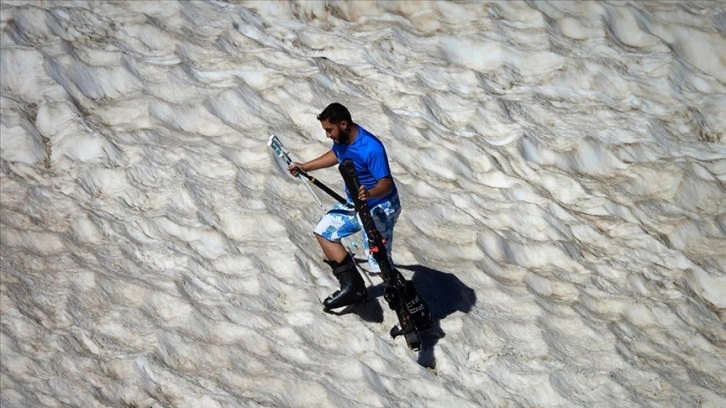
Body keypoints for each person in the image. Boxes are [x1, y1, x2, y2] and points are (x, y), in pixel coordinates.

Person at [289, 102, 401, 310]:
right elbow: (335, 155)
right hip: (357, 203)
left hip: (380, 207)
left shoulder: (371, 148)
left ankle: (407, 308)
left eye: (329, 130)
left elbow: (386, 185)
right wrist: (305, 166)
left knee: (379, 264)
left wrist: (368, 194)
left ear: (343, 124)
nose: (327, 135)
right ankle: (354, 288)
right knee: (324, 232)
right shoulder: (342, 140)